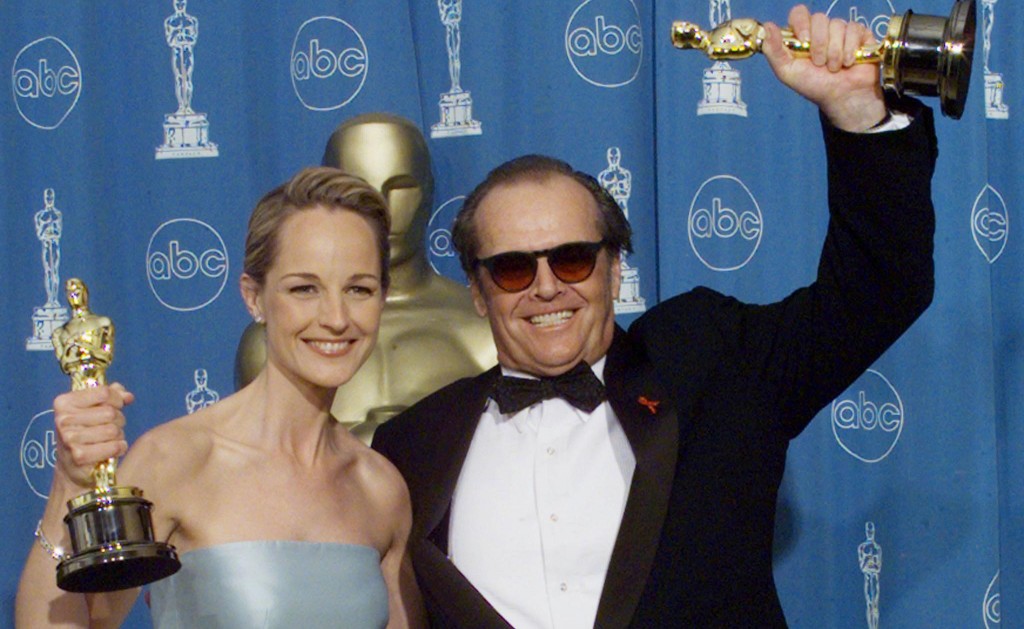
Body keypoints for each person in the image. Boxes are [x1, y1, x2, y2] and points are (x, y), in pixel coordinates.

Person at [372, 5, 937, 627]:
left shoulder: (713, 363)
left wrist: (857, 110)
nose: (545, 287)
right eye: (511, 268)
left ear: (615, 269)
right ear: (479, 292)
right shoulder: (408, 446)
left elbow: (879, 291)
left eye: (573, 259)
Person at [17, 167, 426, 628]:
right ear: (254, 297)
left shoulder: (380, 489)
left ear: (383, 298)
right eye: (304, 289)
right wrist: (69, 488)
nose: (335, 317)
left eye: (358, 289)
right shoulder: (177, 459)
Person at [235, 113, 495, 441]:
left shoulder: (485, 331)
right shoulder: (268, 343)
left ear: (429, 191)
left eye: (401, 188)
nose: (383, 210)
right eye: (360, 192)